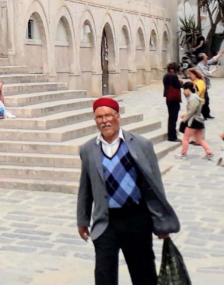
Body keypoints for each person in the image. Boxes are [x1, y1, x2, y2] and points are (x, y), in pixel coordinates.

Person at [77, 97, 180, 285]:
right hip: (106, 220)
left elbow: (155, 186)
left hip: (137, 218)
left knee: (143, 273)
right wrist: (82, 220)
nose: (104, 120)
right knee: (104, 275)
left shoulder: (141, 144)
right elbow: (85, 187)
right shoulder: (88, 150)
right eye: (99, 117)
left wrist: (161, 222)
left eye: (108, 115)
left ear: (118, 117)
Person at [176, 82, 212, 160]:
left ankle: (183, 153)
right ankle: (209, 152)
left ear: (188, 89)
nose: (184, 92)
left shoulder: (193, 98)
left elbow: (191, 111)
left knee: (186, 138)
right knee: (199, 138)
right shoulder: (196, 97)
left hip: (193, 121)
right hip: (198, 120)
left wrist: (185, 118)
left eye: (184, 90)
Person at [194, 50, 223, 119]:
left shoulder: (205, 63)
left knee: (206, 99)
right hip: (201, 85)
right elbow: (205, 73)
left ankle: (207, 114)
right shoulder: (200, 65)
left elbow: (213, 59)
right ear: (203, 58)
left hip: (205, 84)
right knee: (203, 99)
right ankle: (203, 114)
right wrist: (213, 71)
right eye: (205, 56)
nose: (207, 56)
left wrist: (219, 54)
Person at [162, 62, 183, 143]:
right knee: (173, 118)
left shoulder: (165, 75)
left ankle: (171, 135)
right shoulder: (172, 76)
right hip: (173, 98)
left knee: (171, 117)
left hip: (168, 97)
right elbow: (177, 85)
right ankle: (172, 136)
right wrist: (181, 82)